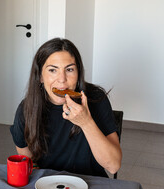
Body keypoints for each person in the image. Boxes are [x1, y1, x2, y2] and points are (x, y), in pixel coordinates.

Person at [10, 38, 122, 177]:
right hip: (47, 186)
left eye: (69, 69)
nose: (62, 79)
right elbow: (27, 158)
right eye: (52, 70)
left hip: (92, 185)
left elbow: (113, 165)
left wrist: (86, 122)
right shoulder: (27, 108)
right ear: (40, 76)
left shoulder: (95, 99)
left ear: (78, 73)